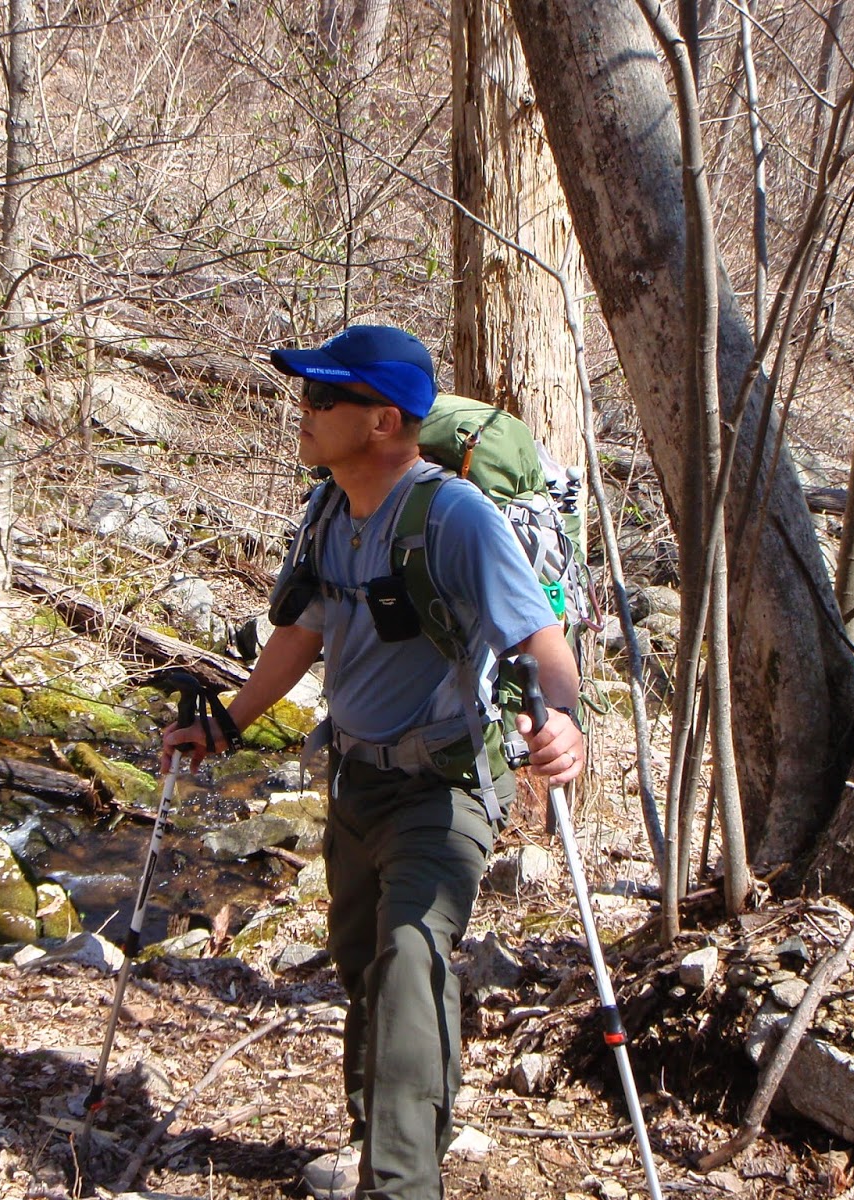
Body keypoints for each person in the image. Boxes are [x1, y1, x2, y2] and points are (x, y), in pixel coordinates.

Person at [161, 324, 584, 1200]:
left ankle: (399, 1182)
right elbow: (301, 633)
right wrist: (228, 725)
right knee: (363, 965)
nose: (304, 411)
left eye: (323, 398)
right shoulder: (330, 511)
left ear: (383, 420)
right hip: (354, 780)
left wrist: (564, 721)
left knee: (408, 958)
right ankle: (386, 1130)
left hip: (445, 786)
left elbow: (541, 640)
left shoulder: (455, 517)